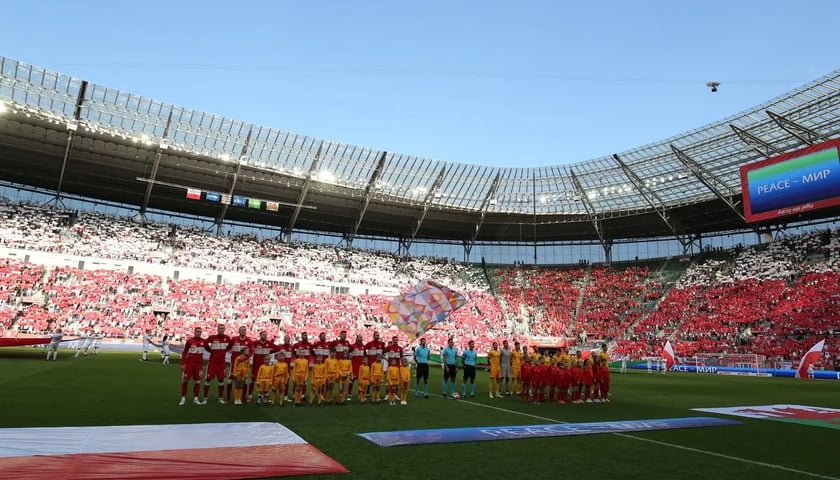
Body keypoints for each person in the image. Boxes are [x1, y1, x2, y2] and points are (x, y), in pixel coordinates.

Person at [202, 324, 232, 404]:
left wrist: (225, 350)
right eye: (220, 328)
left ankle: (220, 398)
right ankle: (205, 398)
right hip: (212, 362)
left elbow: (230, 345)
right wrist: (210, 351)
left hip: (221, 363)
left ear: (224, 329)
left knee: (221, 380)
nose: (221, 330)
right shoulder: (212, 337)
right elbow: (205, 344)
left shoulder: (227, 338)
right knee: (208, 379)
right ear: (217, 329)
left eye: (222, 328)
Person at [179, 327, 205, 406]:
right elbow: (184, 352)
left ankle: (196, 399)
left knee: (197, 382)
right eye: (197, 331)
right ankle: (183, 398)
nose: (199, 333)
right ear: (194, 332)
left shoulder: (204, 342)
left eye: (200, 332)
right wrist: (183, 364)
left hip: (199, 365)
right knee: (185, 381)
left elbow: (210, 349)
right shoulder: (189, 341)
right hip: (189, 364)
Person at [249, 331, 277, 402]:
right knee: (253, 380)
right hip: (256, 365)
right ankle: (250, 395)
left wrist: (270, 352)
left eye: (265, 335)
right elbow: (249, 348)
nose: (264, 336)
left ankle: (263, 397)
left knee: (265, 382)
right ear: (260, 335)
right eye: (263, 334)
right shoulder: (255, 343)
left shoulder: (269, 343)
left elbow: (278, 348)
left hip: (265, 366)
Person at [226, 326, 252, 402]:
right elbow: (228, 348)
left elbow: (251, 352)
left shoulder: (249, 341)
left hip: (244, 365)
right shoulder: (234, 339)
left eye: (244, 330)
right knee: (230, 380)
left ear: (246, 331)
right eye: (241, 330)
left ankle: (242, 398)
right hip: (234, 364)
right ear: (239, 331)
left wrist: (245, 358)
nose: (243, 331)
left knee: (243, 381)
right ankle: (228, 398)